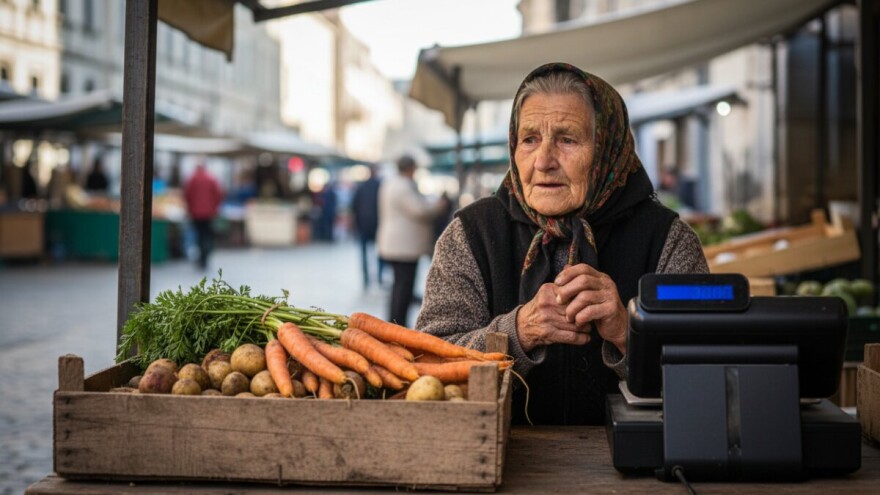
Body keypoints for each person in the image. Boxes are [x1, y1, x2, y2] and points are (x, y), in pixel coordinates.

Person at [415, 63, 709, 426]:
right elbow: (427, 365)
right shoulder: (471, 235)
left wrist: (626, 331)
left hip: (636, 470)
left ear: (606, 148)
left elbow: (703, 377)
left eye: (567, 139)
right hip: (501, 462)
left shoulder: (667, 239)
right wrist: (517, 332)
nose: (543, 161)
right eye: (530, 139)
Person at [377, 155, 447, 327]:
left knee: (400, 286)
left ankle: (395, 322)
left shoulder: (391, 183)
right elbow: (419, 210)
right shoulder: (402, 186)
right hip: (403, 247)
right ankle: (397, 323)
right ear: (410, 168)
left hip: (396, 245)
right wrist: (438, 206)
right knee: (403, 287)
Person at [184, 163, 224, 270]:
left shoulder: (193, 179)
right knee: (207, 235)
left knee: (199, 235)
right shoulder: (211, 178)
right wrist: (215, 208)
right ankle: (206, 256)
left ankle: (202, 258)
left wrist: (189, 208)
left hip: (196, 212)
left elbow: (187, 194)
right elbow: (218, 194)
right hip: (209, 212)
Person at [351, 164, 385, 289]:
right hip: (377, 224)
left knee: (365, 253)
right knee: (380, 253)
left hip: (364, 225)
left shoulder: (361, 187)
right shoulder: (380, 186)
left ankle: (367, 278)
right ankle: (379, 277)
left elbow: (354, 206)